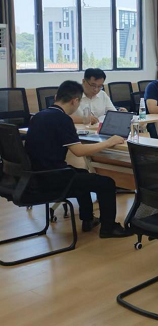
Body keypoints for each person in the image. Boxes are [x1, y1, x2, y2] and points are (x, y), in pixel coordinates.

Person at [25, 81, 131, 238]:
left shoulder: (38, 116)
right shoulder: (63, 119)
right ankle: (108, 229)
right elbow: (79, 151)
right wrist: (109, 142)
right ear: (75, 101)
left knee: (82, 174)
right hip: (52, 177)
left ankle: (88, 219)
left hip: (35, 174)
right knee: (107, 183)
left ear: (56, 97)